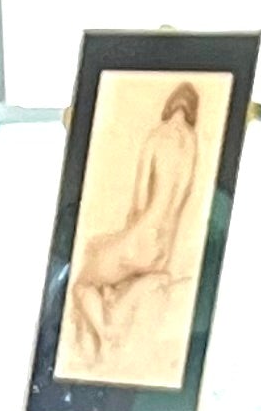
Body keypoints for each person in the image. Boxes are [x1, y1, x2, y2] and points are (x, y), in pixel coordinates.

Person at [64, 77, 202, 381]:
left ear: (170, 106)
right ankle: (105, 329)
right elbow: (183, 199)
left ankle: (107, 333)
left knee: (82, 282)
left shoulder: (158, 136)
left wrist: (123, 241)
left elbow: (139, 200)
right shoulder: (191, 143)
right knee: (100, 250)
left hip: (142, 237)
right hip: (163, 246)